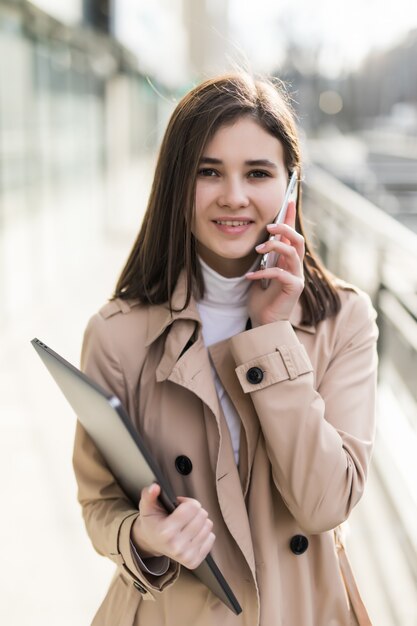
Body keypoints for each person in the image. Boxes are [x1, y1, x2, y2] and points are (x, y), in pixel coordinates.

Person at [73, 72, 378, 626]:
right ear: (176, 184)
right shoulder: (115, 334)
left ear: (290, 187)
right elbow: (99, 503)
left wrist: (270, 337)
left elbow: (324, 505)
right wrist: (145, 534)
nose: (233, 196)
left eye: (257, 173)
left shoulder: (343, 320)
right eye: (208, 172)